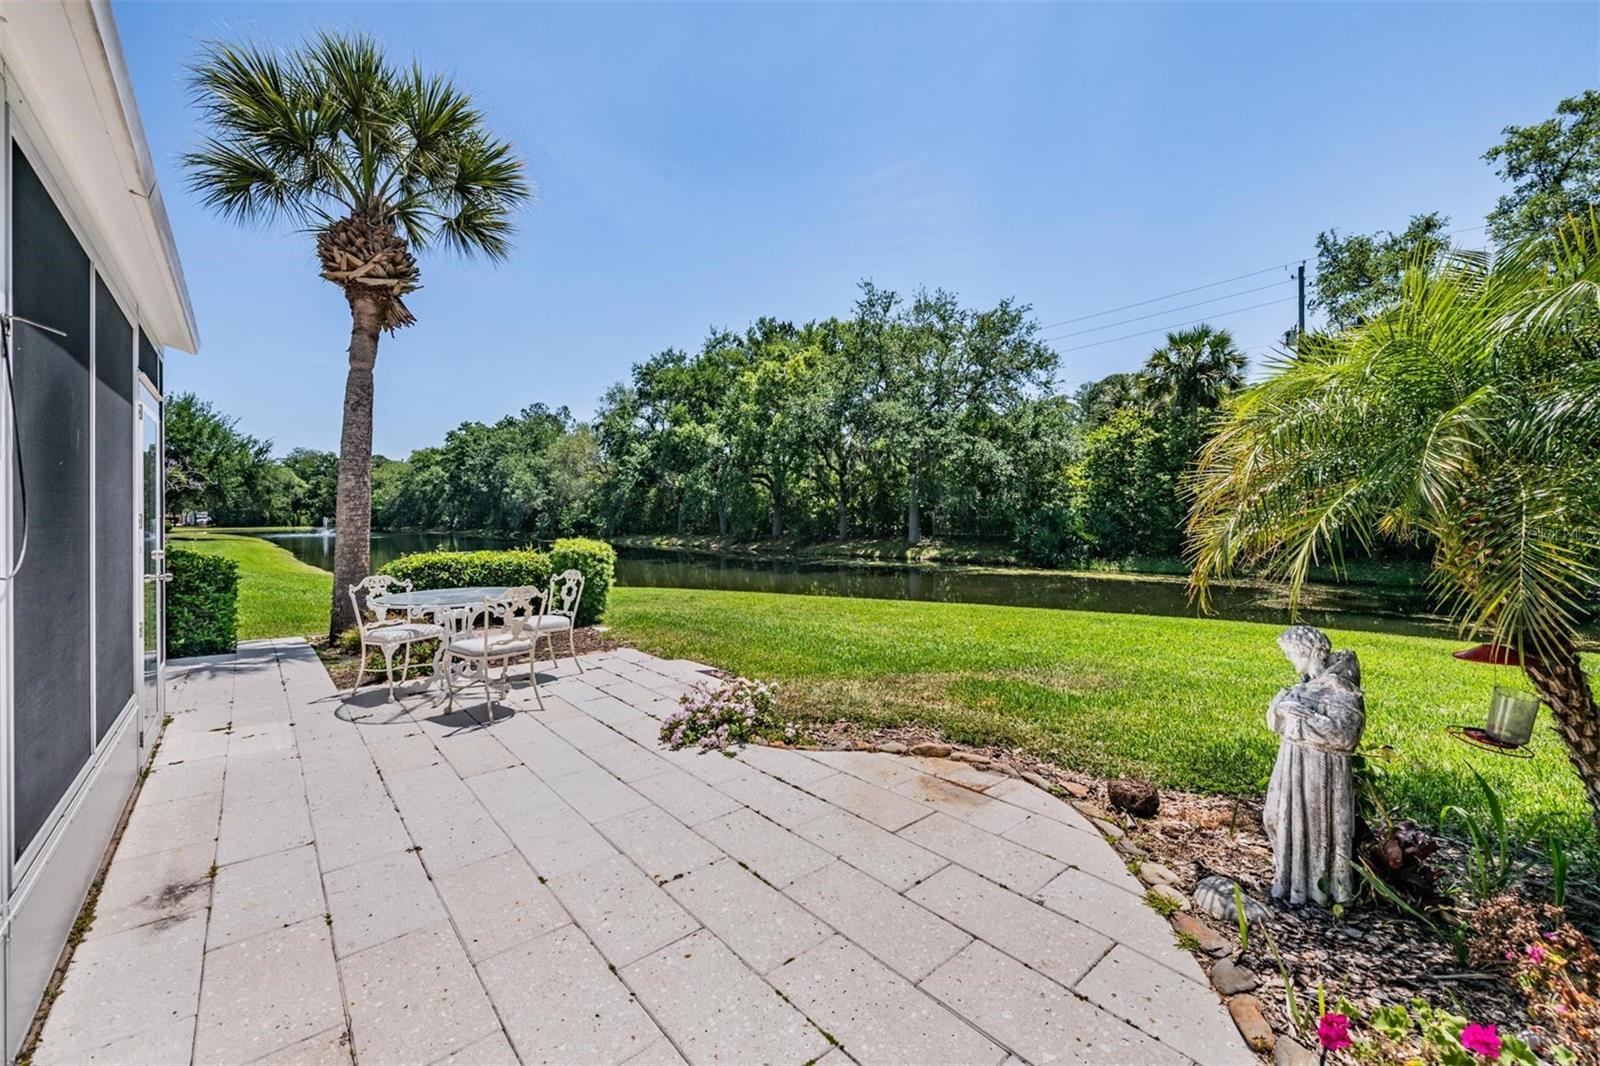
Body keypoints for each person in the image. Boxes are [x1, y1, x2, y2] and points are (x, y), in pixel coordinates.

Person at [1264, 625, 1367, 906]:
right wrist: (1280, 709)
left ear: (1308, 652)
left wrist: (1305, 716)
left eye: (1292, 654)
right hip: (1292, 762)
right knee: (1275, 817)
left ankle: (1317, 889)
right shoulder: (1305, 684)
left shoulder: (1341, 689)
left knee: (1317, 828)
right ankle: (1290, 879)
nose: (1291, 660)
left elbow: (1345, 735)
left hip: (1321, 771)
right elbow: (1277, 720)